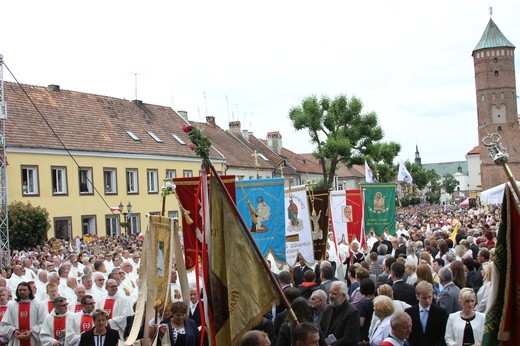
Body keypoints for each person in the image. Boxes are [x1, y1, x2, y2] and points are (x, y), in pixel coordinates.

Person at [405, 281, 448, 346]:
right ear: (417, 297)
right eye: (424, 298)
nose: (427, 300)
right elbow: (408, 336)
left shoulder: (441, 313)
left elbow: (444, 335)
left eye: (429, 297)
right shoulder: (409, 312)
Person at [320, 281, 359, 346]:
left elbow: (349, 338)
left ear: (343, 295)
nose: (330, 296)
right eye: (330, 293)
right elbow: (321, 329)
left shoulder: (352, 312)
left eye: (334, 294)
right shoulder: (327, 308)